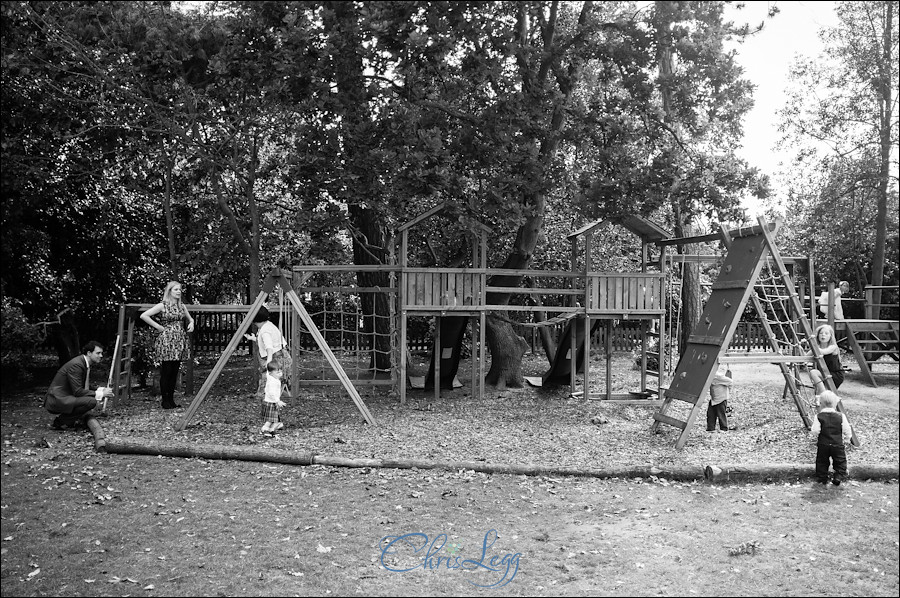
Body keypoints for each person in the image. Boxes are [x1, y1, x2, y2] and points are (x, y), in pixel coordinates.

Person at [140, 281, 195, 409]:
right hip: (167, 340)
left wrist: (191, 323)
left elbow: (190, 318)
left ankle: (171, 400)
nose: (179, 291)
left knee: (175, 371)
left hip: (179, 340)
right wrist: (158, 326)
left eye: (180, 289)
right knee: (167, 370)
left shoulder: (182, 306)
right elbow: (144, 315)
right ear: (169, 291)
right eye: (176, 289)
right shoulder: (162, 305)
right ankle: (165, 400)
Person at [44, 341, 114, 430]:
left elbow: (83, 385)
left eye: (101, 353)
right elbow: (78, 391)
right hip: (57, 399)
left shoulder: (82, 363)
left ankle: (70, 420)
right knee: (91, 402)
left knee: (90, 400)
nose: (101, 356)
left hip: (64, 397)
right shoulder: (77, 365)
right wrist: (101, 394)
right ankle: (60, 422)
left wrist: (101, 389)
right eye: (98, 353)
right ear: (89, 353)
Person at [244, 305, 292, 403]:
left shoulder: (265, 331)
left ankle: (264, 395)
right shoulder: (269, 325)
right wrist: (253, 338)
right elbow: (267, 341)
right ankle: (277, 391)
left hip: (275, 356)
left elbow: (269, 346)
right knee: (276, 376)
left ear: (254, 320)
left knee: (268, 376)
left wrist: (269, 360)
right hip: (282, 354)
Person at [809, 389, 851, 486]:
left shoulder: (819, 416)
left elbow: (815, 430)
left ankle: (822, 477)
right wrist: (848, 438)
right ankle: (839, 476)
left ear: (821, 404)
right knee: (840, 460)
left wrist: (814, 436)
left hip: (823, 444)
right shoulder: (841, 416)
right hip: (837, 443)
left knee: (822, 461)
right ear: (835, 404)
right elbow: (846, 428)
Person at [806, 323, 844, 389]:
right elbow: (805, 358)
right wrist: (799, 348)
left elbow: (823, 352)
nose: (823, 335)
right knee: (820, 395)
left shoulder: (833, 347)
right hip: (824, 373)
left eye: (826, 333)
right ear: (818, 335)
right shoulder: (816, 348)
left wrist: (811, 344)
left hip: (835, 374)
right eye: (821, 333)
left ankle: (822, 391)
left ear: (830, 336)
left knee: (813, 372)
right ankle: (821, 392)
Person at [260, 361, 287, 434]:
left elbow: (267, 370)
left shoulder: (271, 377)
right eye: (277, 372)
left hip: (271, 401)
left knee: (274, 418)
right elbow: (271, 393)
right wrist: (277, 401)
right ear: (271, 373)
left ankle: (273, 428)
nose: (280, 374)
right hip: (271, 402)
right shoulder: (273, 382)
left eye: (281, 372)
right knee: (270, 420)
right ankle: (265, 429)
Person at [706, 362, 734, 432]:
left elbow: (730, 382)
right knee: (711, 413)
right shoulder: (711, 375)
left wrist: (728, 392)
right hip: (714, 398)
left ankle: (724, 428)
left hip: (721, 397)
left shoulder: (718, 376)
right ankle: (710, 428)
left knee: (721, 413)